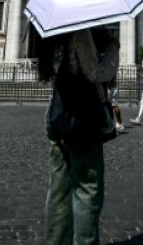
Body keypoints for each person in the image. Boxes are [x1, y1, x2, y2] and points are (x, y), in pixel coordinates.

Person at [39, 27, 119, 245]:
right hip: (81, 117)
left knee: (58, 191)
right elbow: (95, 72)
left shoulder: (52, 31)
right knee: (87, 190)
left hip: (57, 114)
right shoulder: (80, 31)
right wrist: (113, 49)